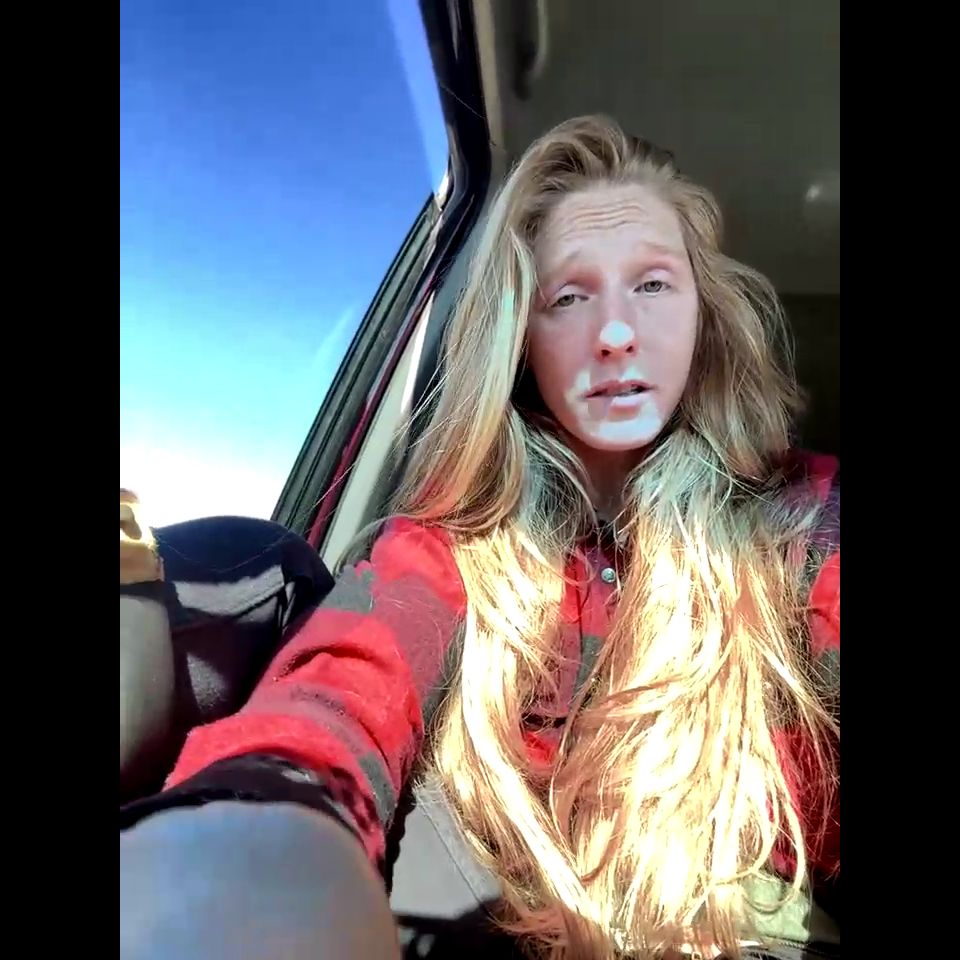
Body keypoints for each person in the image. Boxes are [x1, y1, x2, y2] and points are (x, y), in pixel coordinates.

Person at [120, 115, 840, 960]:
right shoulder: (455, 546)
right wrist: (262, 826)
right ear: (523, 340)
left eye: (652, 285)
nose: (615, 332)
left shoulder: (803, 522)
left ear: (703, 315)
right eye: (569, 297)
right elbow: (342, 687)